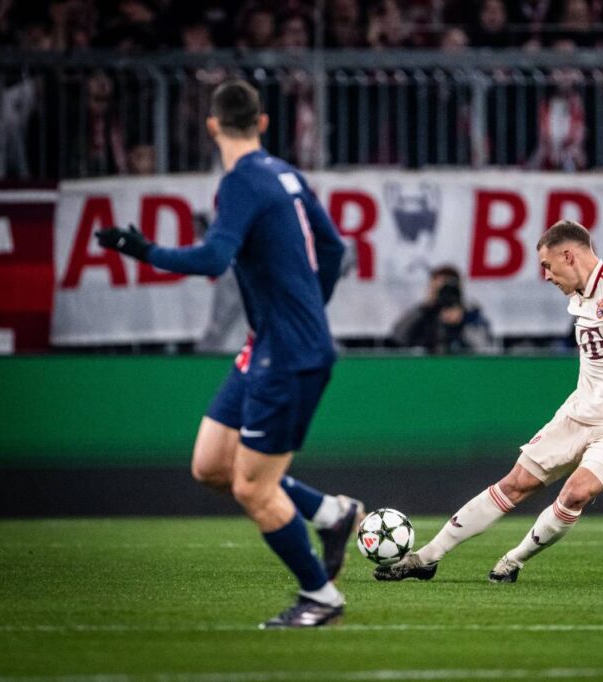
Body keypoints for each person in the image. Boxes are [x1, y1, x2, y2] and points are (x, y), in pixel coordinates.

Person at [94, 80, 361, 629]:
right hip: (271, 344)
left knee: (252, 488)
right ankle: (332, 514)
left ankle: (320, 598)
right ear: (262, 122)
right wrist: (308, 305)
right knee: (212, 465)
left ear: (212, 125)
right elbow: (334, 249)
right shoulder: (286, 174)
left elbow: (215, 257)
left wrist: (144, 251)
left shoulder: (240, 182)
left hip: (287, 353)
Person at [373, 220, 603, 583]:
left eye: (547, 265)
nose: (547, 276)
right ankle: (426, 557)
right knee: (516, 483)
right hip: (579, 411)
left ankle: (514, 558)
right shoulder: (577, 296)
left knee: (577, 492)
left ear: (568, 255)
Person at [390, 265, 494, 354]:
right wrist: (426, 307)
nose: (445, 293)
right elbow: (399, 337)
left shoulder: (471, 312)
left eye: (449, 287)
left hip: (463, 367)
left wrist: (462, 321)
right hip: (429, 366)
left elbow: (484, 347)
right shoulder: (425, 313)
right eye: (440, 288)